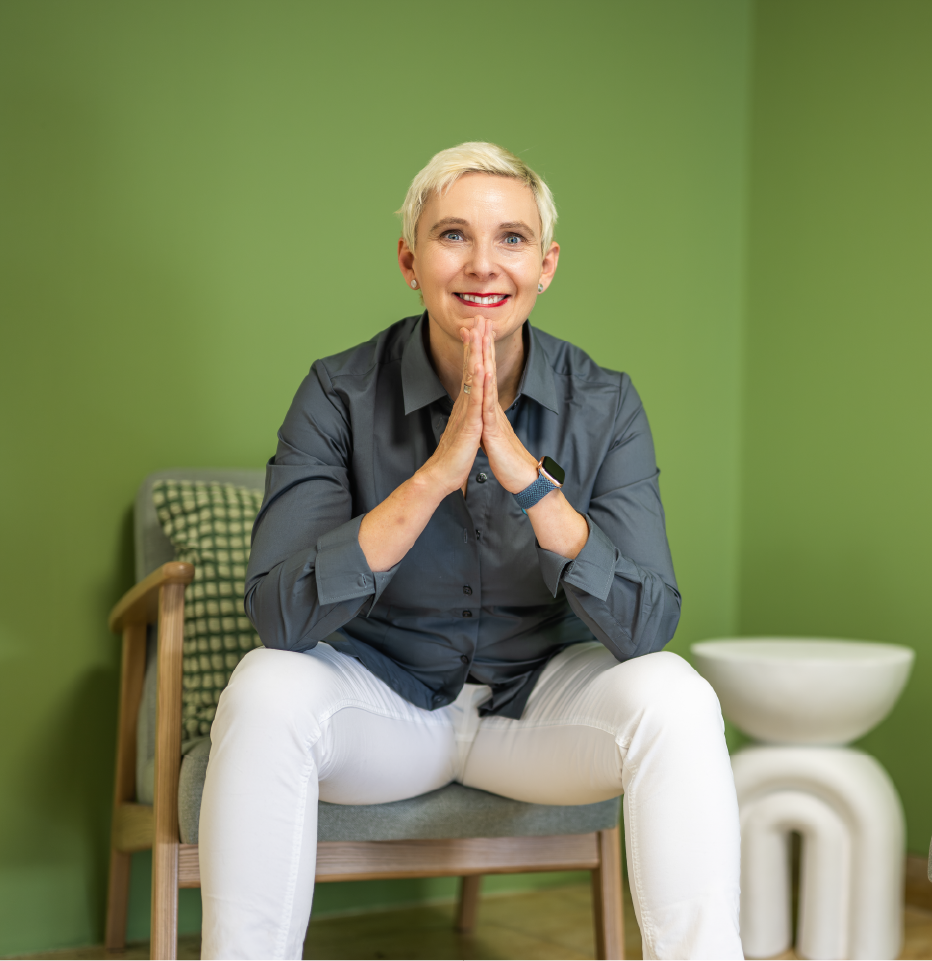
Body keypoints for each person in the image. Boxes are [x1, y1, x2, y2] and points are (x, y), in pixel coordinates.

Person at [198, 142, 743, 960]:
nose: (482, 264)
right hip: (385, 710)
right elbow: (280, 614)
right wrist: (433, 477)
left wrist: (527, 479)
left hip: (539, 713)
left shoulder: (604, 402)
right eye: (453, 235)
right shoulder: (335, 392)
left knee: (676, 693)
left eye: (512, 239)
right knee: (264, 685)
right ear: (408, 260)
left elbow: (645, 623)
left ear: (546, 263)